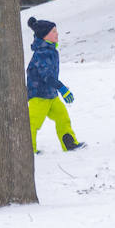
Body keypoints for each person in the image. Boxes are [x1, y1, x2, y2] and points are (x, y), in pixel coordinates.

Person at [26, 17, 85, 152]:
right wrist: (62, 88)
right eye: (53, 31)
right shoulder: (42, 53)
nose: (57, 34)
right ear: (45, 35)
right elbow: (46, 75)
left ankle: (70, 144)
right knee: (32, 123)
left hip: (50, 95)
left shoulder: (50, 51)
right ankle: (28, 150)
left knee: (62, 117)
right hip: (39, 95)